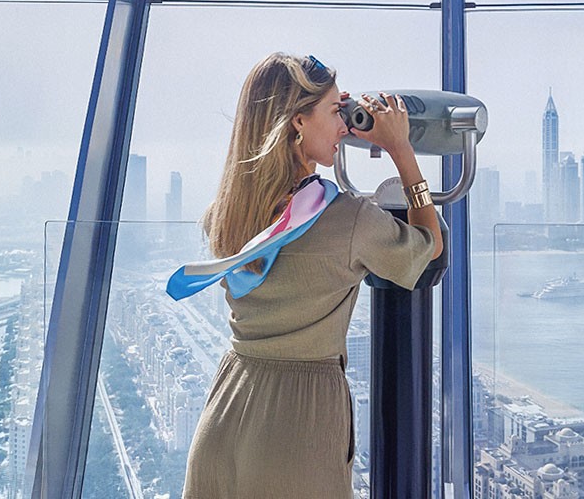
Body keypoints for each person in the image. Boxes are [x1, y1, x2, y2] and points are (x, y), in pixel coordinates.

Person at [180, 52, 443, 499]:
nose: (343, 125)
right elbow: (426, 247)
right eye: (332, 111)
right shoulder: (350, 220)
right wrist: (400, 148)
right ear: (298, 122)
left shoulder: (226, 212)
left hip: (225, 413)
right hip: (298, 424)